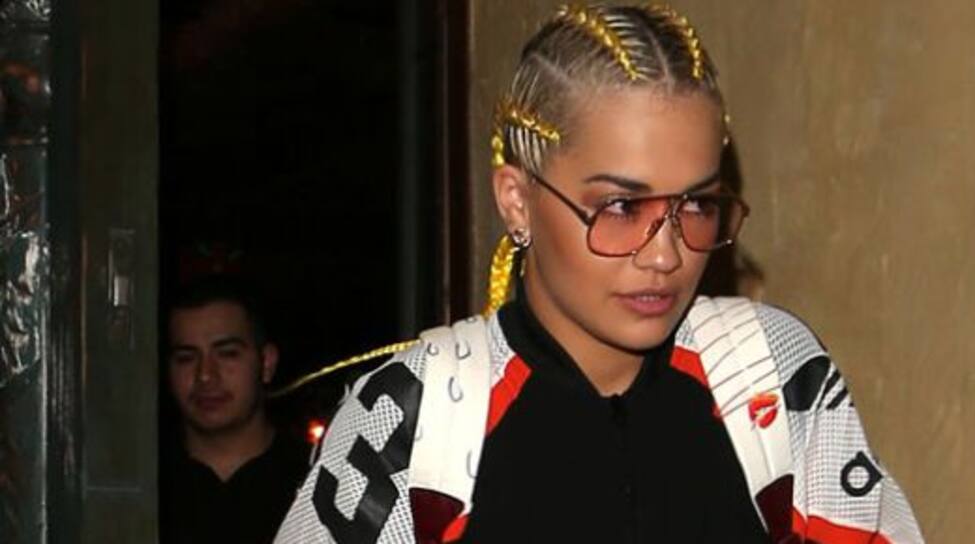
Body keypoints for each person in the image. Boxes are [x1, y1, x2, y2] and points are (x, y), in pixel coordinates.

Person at [276, 4, 924, 543]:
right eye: (620, 207)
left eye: (697, 205)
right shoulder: (408, 422)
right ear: (517, 201)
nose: (665, 254)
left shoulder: (774, 378)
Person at [162, 276, 310, 544]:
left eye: (227, 354)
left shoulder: (313, 481)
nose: (205, 375)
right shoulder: (142, 481)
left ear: (266, 363)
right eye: (186, 358)